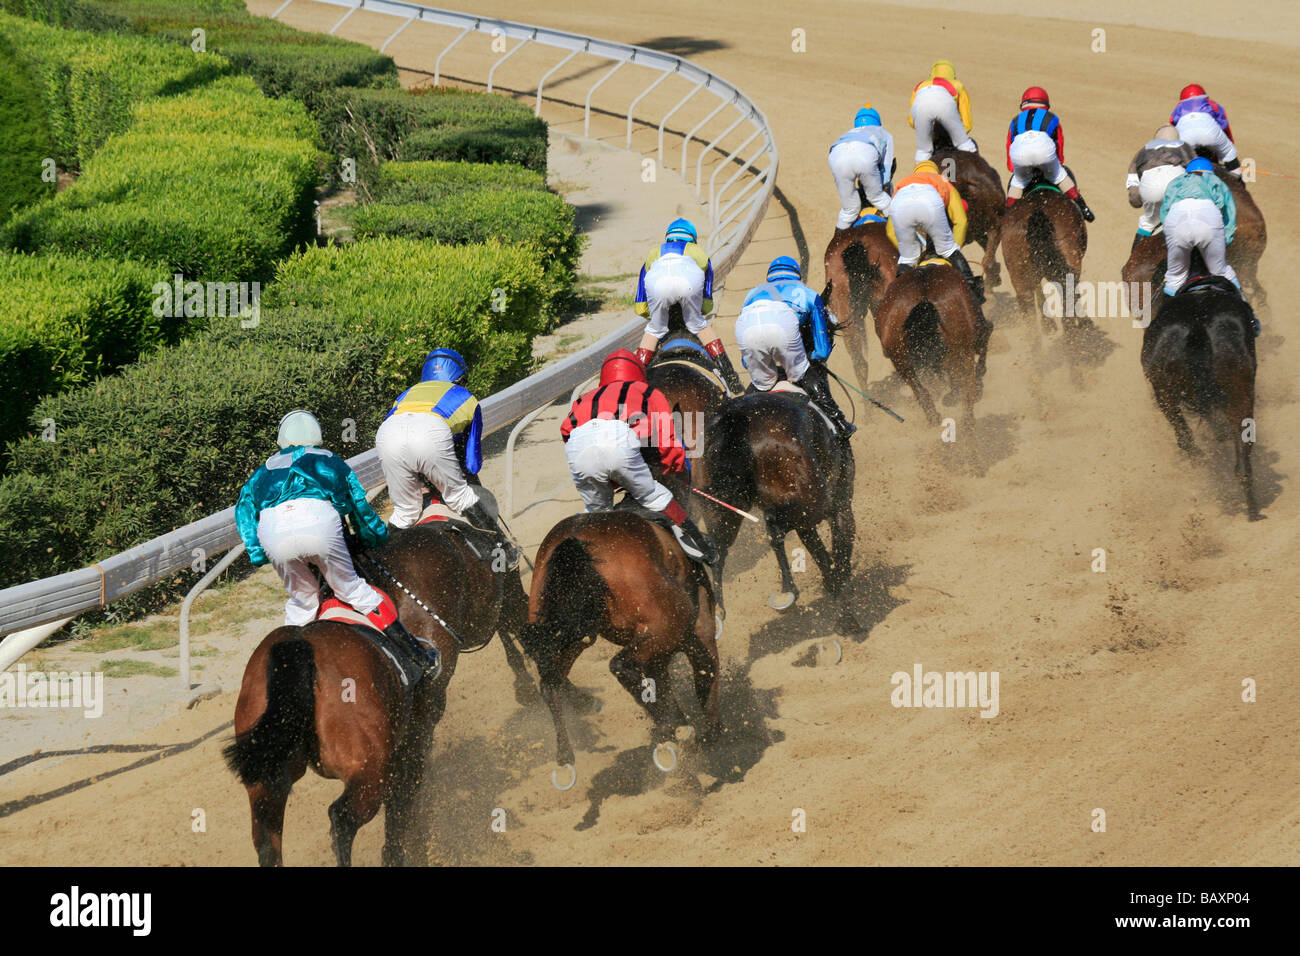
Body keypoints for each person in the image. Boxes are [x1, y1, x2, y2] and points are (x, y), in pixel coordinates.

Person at [236, 409, 439, 670]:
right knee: (353, 590)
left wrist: (258, 553)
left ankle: (288, 669)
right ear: (316, 439)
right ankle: (417, 656)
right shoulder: (329, 460)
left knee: (302, 601)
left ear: (281, 442)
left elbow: (244, 514)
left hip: (274, 534)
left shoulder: (260, 473)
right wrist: (374, 536)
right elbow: (358, 506)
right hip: (319, 525)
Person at [560, 349, 719, 563]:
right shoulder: (647, 392)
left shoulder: (585, 398)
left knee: (597, 513)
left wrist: (605, 475)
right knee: (656, 496)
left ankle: (580, 559)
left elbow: (566, 431)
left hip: (579, 448)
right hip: (619, 444)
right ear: (639, 373)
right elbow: (667, 440)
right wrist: (674, 468)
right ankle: (702, 548)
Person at [374, 347, 519, 568]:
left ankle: (380, 563)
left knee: (405, 512)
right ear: (459, 379)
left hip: (386, 434)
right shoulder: (468, 398)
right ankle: (504, 550)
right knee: (460, 497)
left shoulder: (405, 395)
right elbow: (472, 462)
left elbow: (406, 443)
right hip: (431, 433)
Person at [734, 256, 856, 441]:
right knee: (802, 374)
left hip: (748, 328)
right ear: (797, 277)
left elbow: (745, 361)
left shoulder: (752, 293)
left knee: (761, 385)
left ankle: (737, 434)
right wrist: (809, 360)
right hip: (783, 327)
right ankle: (839, 422)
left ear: (769, 277)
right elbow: (822, 352)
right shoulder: (808, 293)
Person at [633, 218, 743, 393]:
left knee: (654, 330)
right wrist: (693, 314)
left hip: (658, 284)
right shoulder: (698, 252)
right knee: (699, 326)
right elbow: (707, 304)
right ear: (693, 240)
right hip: (688, 283)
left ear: (667, 238)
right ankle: (731, 378)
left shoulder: (653, 253)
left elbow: (640, 307)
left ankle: (633, 382)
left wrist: (659, 317)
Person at [886, 160, 983, 304]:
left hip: (900, 204)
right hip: (929, 201)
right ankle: (972, 294)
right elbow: (961, 221)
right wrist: (953, 248)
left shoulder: (904, 182)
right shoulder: (942, 180)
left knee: (907, 259)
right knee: (949, 249)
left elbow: (890, 231)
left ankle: (897, 299)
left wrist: (913, 253)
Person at [1004, 86, 1094, 221]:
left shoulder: (1015, 121)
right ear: (1045, 104)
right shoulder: (1052, 118)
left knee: (1018, 182)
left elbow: (1009, 148)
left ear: (1024, 103)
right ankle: (1084, 209)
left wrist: (1016, 171)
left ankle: (1006, 219)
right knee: (1060, 176)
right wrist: (1055, 165)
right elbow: (1059, 147)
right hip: (1044, 152)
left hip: (1020, 155)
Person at [1125, 125, 1196, 248]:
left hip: (1151, 190)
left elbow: (1134, 190)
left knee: (1148, 222)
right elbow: (1198, 170)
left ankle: (1134, 259)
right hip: (1176, 187)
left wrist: (1136, 201)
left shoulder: (1142, 151)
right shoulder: (1184, 146)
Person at [828, 106, 896, 230]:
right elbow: (887, 167)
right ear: (878, 122)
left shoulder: (850, 133)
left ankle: (836, 242)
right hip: (864, 158)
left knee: (849, 210)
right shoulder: (883, 132)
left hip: (836, 157)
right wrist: (881, 185)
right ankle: (905, 236)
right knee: (878, 198)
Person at [909, 59, 976, 163]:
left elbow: (912, 121)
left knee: (923, 152)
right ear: (953, 74)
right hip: (948, 116)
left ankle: (919, 175)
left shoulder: (920, 86)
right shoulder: (958, 85)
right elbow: (967, 123)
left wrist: (928, 133)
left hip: (927, 124)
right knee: (967, 146)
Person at [1170, 83, 1241, 178]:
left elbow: (1172, 129)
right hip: (1210, 135)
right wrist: (1228, 149)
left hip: (1186, 138)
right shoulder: (1212, 104)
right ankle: (1238, 182)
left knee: (1176, 166)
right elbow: (1224, 127)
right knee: (1229, 153)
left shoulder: (1178, 108)